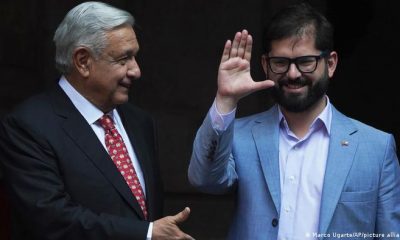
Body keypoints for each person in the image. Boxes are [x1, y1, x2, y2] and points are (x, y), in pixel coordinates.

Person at [188, 2, 400, 239]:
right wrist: (225, 100)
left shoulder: (376, 148)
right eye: (280, 63)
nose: (292, 74)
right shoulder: (240, 136)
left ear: (330, 64)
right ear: (265, 65)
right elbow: (203, 179)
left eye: (305, 61)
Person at [0, 2, 194, 240]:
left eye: (135, 57)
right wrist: (147, 233)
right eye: (124, 59)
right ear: (83, 61)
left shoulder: (139, 122)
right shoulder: (29, 126)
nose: (136, 70)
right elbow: (50, 219)